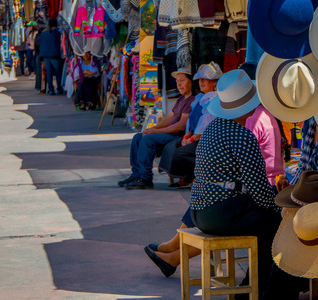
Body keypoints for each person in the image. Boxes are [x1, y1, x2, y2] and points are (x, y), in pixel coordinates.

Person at [145, 70, 301, 299]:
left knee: (268, 227)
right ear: (247, 105)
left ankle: (251, 290)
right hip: (221, 214)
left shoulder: (212, 129)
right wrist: (281, 205)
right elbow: (259, 191)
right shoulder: (243, 136)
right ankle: (264, 293)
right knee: (280, 227)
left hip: (199, 211)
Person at [117, 67, 195, 189]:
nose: (179, 84)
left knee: (148, 139)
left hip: (177, 135)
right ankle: (136, 174)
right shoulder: (181, 99)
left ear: (191, 81)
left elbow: (181, 125)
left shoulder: (192, 99)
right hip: (169, 133)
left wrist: (155, 131)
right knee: (138, 137)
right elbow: (169, 119)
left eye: (182, 80)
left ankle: (145, 177)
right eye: (177, 81)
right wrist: (151, 129)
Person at [158, 62, 222, 188]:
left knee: (180, 153)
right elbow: (192, 121)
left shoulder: (214, 100)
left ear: (214, 82)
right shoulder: (200, 98)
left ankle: (197, 175)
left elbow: (205, 126)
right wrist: (187, 136)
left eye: (205, 79)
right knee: (170, 147)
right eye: (200, 79)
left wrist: (191, 139)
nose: (201, 82)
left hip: (205, 139)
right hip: (194, 135)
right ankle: (185, 176)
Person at [40, 18, 64, 95]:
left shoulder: (44, 33)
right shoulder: (57, 33)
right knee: (58, 72)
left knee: (49, 73)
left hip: (46, 55)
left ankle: (51, 89)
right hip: (55, 55)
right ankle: (59, 88)